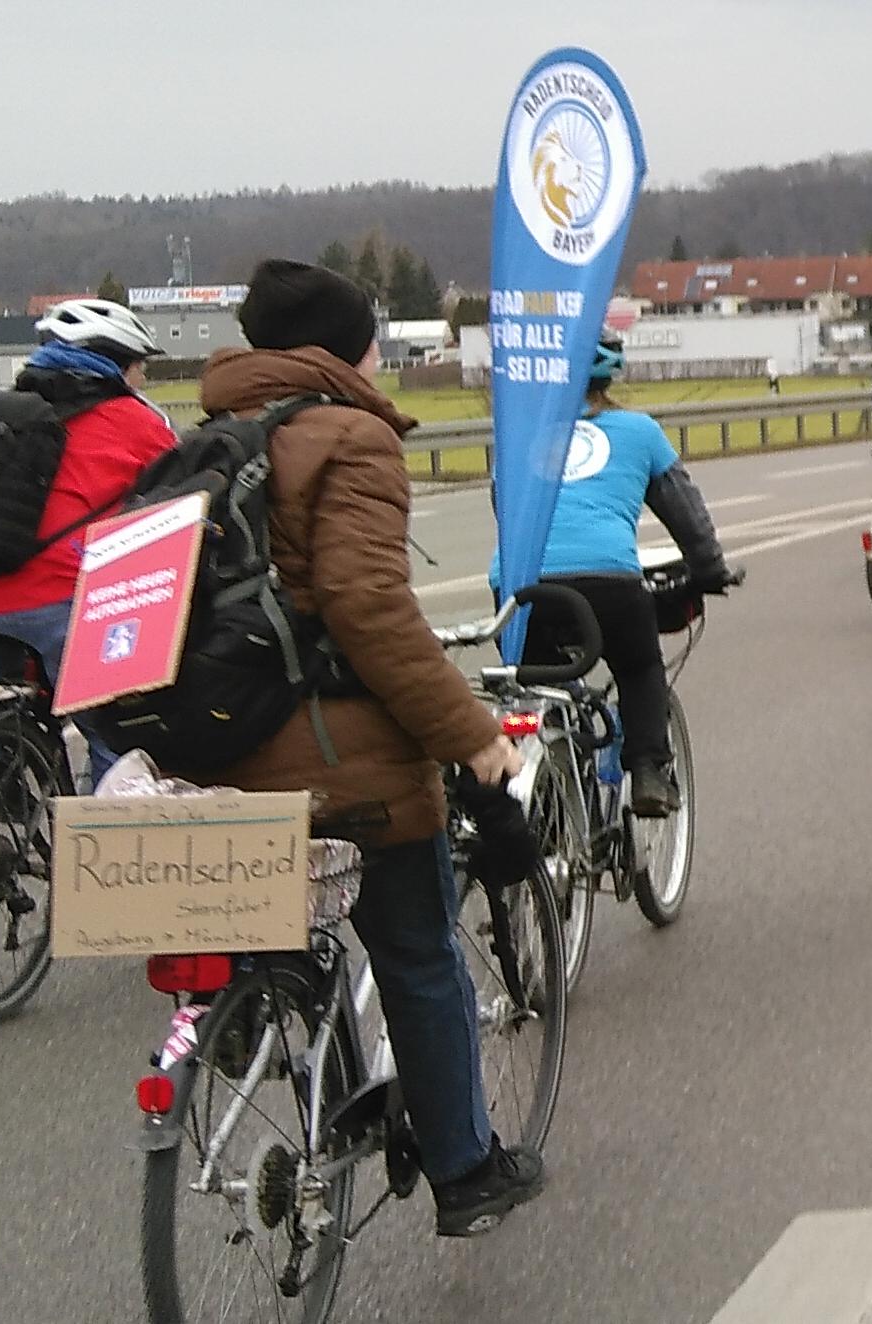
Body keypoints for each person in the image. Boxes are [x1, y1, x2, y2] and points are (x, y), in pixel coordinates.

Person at [188, 257, 540, 1235]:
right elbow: (369, 608)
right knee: (420, 951)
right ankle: (467, 1168)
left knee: (279, 919)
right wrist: (474, 741)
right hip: (343, 766)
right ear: (354, 348)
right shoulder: (353, 438)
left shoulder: (208, 439)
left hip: (217, 752)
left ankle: (254, 1019)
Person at [0, 298, 181, 783]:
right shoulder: (136, 420)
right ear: (118, 364)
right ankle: (102, 844)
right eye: (141, 366)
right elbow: (184, 500)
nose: (142, 378)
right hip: (55, 601)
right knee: (115, 737)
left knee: (9, 683)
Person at [511, 335, 733, 816]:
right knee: (638, 668)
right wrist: (710, 570)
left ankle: (543, 792)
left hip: (519, 588)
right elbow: (687, 516)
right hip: (607, 581)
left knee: (533, 691)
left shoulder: (524, 434)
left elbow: (504, 510)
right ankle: (649, 770)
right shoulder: (639, 431)